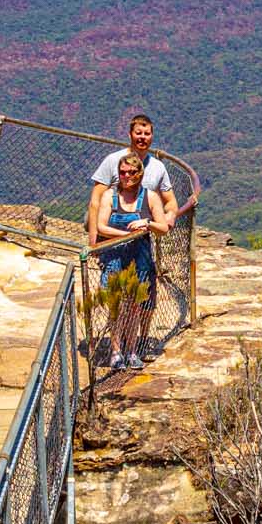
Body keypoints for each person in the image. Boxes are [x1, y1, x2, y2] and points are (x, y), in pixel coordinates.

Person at [89, 113, 178, 356]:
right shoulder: (113, 161)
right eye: (138, 133)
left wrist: (166, 220)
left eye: (147, 133)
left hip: (142, 243)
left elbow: (171, 203)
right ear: (130, 134)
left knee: (143, 300)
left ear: (152, 136)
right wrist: (94, 242)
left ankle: (137, 345)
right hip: (116, 244)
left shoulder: (157, 168)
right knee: (118, 299)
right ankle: (120, 349)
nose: (142, 138)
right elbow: (96, 200)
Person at [92, 152, 165, 369]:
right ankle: (116, 351)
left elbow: (163, 228)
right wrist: (125, 234)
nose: (126, 176)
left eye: (131, 172)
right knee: (116, 305)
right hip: (115, 256)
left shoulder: (150, 197)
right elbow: (101, 226)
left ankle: (131, 350)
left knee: (134, 306)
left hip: (139, 258)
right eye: (123, 172)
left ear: (139, 173)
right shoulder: (109, 196)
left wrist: (147, 223)